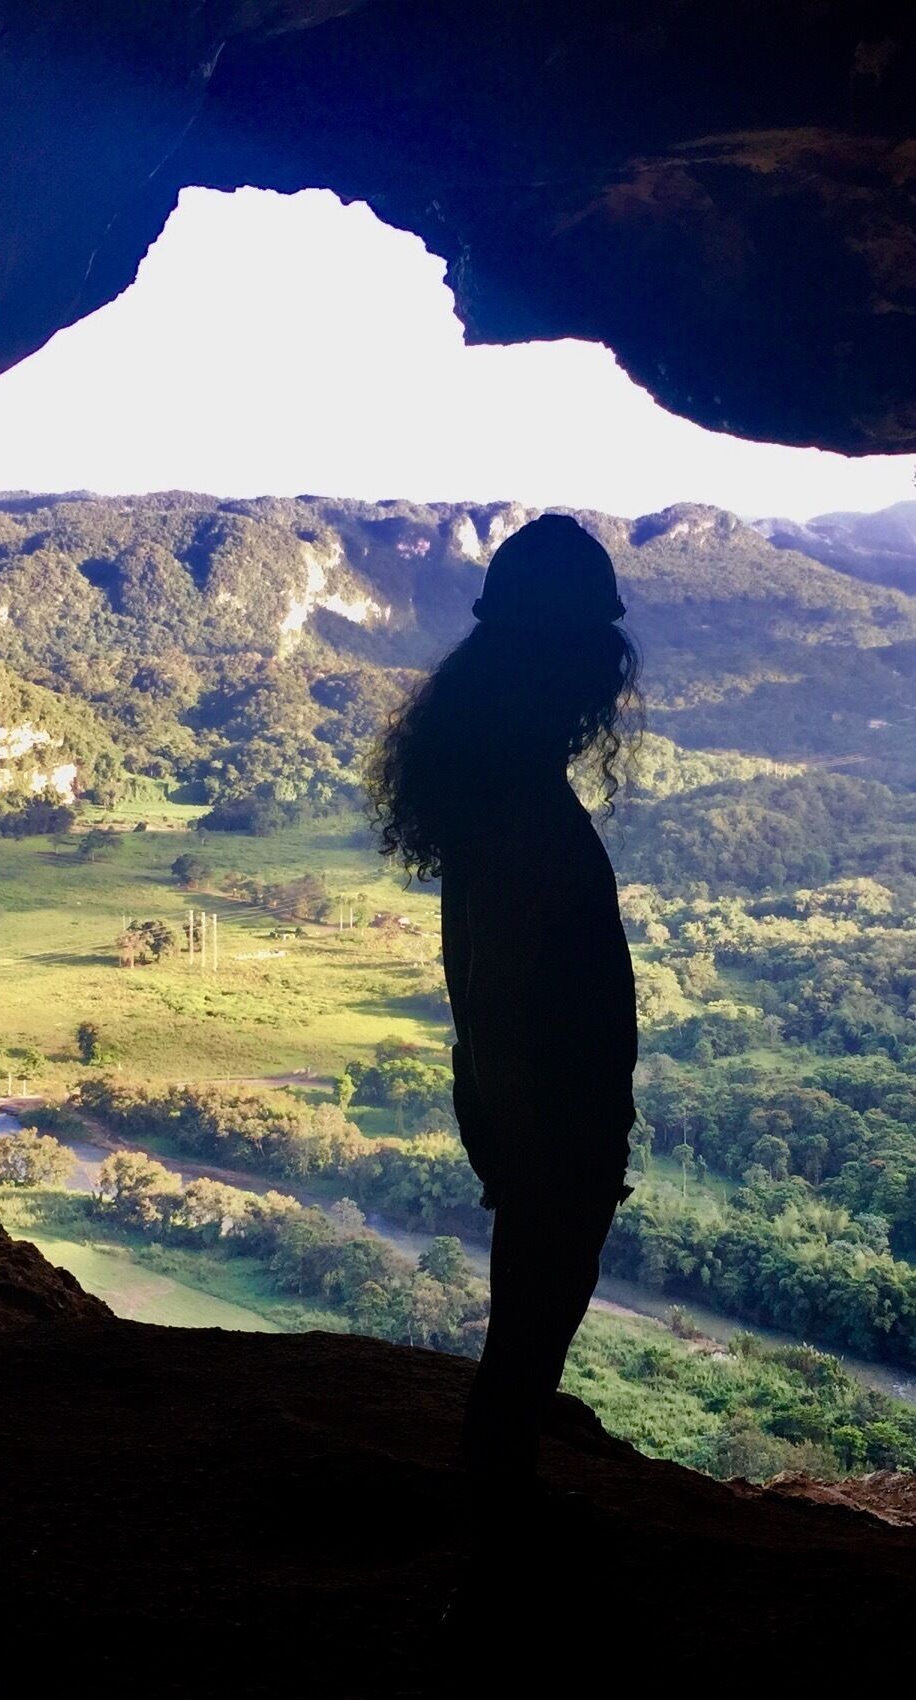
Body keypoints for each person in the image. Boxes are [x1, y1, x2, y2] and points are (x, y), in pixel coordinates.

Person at [366, 514, 639, 1511]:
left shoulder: (497, 797)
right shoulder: (526, 816)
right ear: (567, 667)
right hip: (552, 1131)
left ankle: (497, 1526)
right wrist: (541, 1146)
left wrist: (495, 1122)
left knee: (523, 1334)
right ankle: (494, 1559)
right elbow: (508, 989)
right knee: (527, 1343)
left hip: (528, 1124)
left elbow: (482, 986)